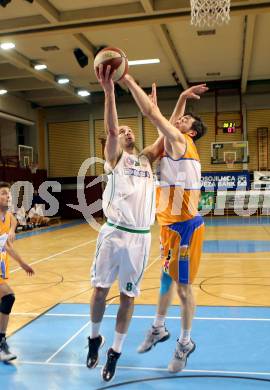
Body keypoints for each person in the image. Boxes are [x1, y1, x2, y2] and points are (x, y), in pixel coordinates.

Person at [122, 74, 207, 373]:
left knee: (183, 288)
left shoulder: (181, 142)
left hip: (185, 227)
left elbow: (153, 114)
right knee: (165, 280)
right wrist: (182, 97)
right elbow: (162, 127)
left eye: (184, 120)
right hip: (169, 226)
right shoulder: (175, 143)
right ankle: (158, 327)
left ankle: (185, 343)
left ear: (191, 132)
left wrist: (128, 79)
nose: (179, 121)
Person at [86, 64, 163, 382]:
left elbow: (165, 136)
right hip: (114, 233)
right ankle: (93, 338)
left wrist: (156, 112)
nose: (127, 132)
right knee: (100, 291)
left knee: (129, 297)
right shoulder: (116, 157)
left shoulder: (146, 159)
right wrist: (108, 93)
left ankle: (115, 351)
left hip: (140, 237)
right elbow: (112, 127)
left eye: (132, 130)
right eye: (124, 130)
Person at [0, 182, 34, 361]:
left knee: (7, 298)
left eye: (8, 194)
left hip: (1, 266)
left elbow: (7, 244)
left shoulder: (8, 217)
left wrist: (22, 264)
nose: (8, 196)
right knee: (8, 296)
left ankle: (1, 342)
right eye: (4, 193)